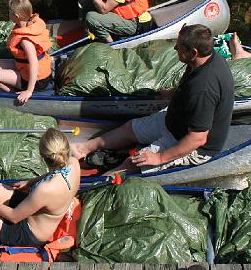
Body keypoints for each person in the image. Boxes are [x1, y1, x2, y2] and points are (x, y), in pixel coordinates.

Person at [72, 24, 234, 173]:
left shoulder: (202, 89)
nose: (175, 47)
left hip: (191, 145)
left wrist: (159, 157)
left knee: (135, 162)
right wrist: (170, 93)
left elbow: (197, 138)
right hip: (174, 121)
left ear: (193, 53)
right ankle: (82, 148)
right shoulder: (203, 60)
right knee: (129, 129)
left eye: (179, 46)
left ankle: (94, 186)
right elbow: (187, 83)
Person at [0, 0, 52, 105]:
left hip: (37, 80)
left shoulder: (25, 40)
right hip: (27, 69)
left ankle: (13, 95)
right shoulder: (32, 23)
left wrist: (29, 91)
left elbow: (34, 64)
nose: (9, 14)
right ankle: (8, 80)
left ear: (16, 16)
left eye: (10, 12)